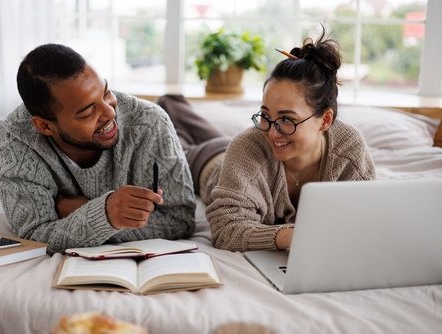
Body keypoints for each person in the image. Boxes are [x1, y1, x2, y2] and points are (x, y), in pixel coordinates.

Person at [158, 28, 376, 253]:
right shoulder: (247, 146)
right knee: (174, 141)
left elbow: (369, 219)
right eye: (265, 116)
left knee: (204, 130)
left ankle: (173, 105)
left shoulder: (349, 149)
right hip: (209, 163)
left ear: (325, 120)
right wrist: (288, 236)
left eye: (287, 120)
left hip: (233, 149)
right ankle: (170, 103)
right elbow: (226, 230)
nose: (272, 133)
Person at [0, 44, 196, 255]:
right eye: (88, 112)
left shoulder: (150, 121)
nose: (110, 113)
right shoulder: (10, 138)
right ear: (45, 126)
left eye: (106, 93)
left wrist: (90, 211)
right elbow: (33, 236)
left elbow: (181, 221)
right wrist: (105, 215)